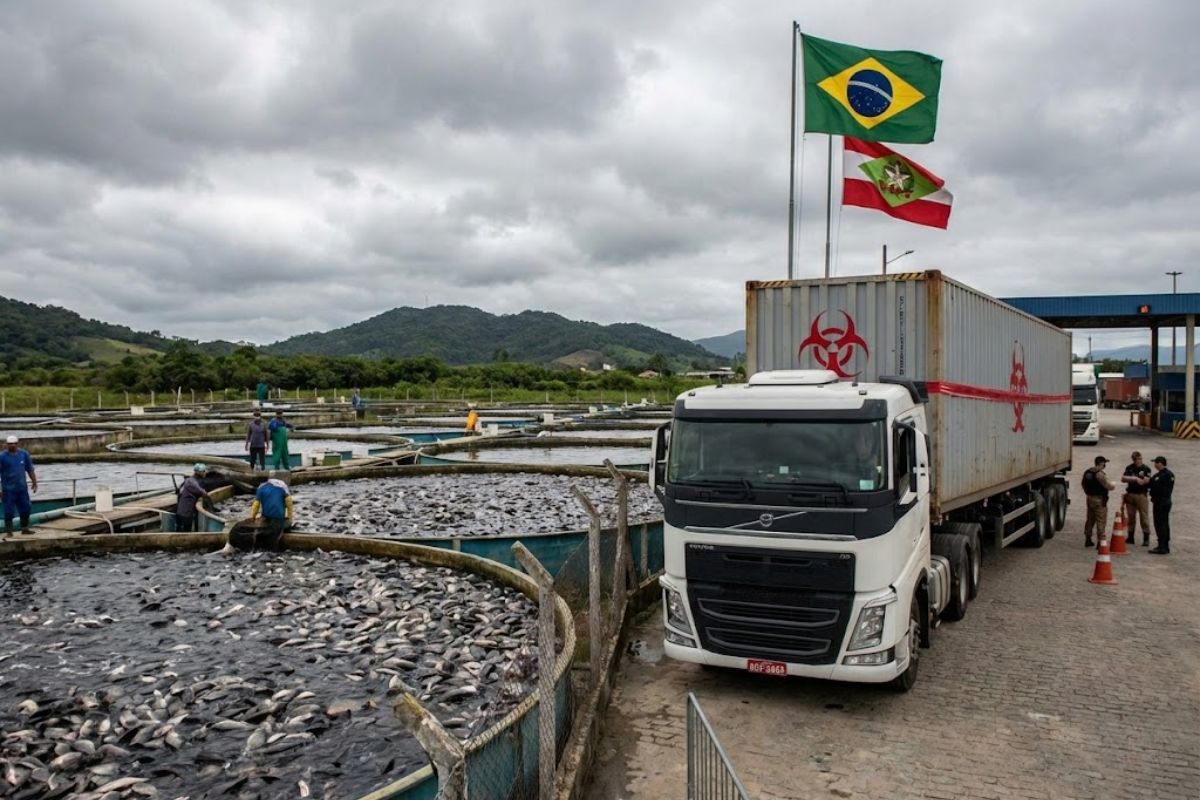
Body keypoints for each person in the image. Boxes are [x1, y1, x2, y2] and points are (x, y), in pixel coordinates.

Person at [0, 435, 37, 536]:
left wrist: (34, 482)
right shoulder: (2, 457)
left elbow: (30, 469)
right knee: (9, 511)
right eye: (10, 444)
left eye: (15, 444)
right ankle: (9, 531)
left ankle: (25, 529)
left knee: (26, 508)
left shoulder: (24, 454)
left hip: (22, 488)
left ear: (18, 444)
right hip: (8, 490)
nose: (13, 446)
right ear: (6, 445)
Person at [1081, 455, 1116, 548]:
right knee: (1101, 520)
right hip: (1099, 500)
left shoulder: (1087, 472)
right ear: (1101, 464)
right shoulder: (1099, 474)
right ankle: (1100, 542)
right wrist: (1113, 485)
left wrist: (1088, 493)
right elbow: (1109, 486)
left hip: (1090, 498)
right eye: (1104, 463)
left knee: (1090, 519)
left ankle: (1088, 539)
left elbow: (1083, 484)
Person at [250, 477, 293, 549]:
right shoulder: (282, 487)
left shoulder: (261, 488)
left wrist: (252, 518)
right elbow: (289, 503)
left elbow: (256, 506)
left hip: (266, 518)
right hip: (279, 518)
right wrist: (290, 517)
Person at [1120, 451, 1152, 546]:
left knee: (1144, 517)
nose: (1138, 461)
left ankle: (1146, 538)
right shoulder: (1129, 468)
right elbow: (1123, 478)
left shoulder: (1146, 468)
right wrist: (1135, 479)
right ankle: (1130, 537)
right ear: (1133, 459)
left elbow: (1146, 480)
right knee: (1131, 517)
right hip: (1130, 495)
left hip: (1141, 495)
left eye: (1140, 459)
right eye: (1136, 459)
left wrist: (1138, 480)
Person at [1147, 455, 1175, 555]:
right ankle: (1164, 545)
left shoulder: (1165, 475)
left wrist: (1150, 483)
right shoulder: (1163, 474)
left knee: (1160, 524)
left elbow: (1156, 485)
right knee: (1163, 523)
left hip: (1161, 502)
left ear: (1160, 463)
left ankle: (1162, 546)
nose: (1154, 465)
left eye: (1155, 463)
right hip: (1162, 501)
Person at [175, 463, 213, 532]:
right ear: (200, 473)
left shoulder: (189, 480)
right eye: (204, 471)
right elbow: (203, 493)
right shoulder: (192, 483)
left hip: (180, 511)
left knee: (180, 530)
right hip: (186, 513)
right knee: (185, 532)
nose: (205, 473)